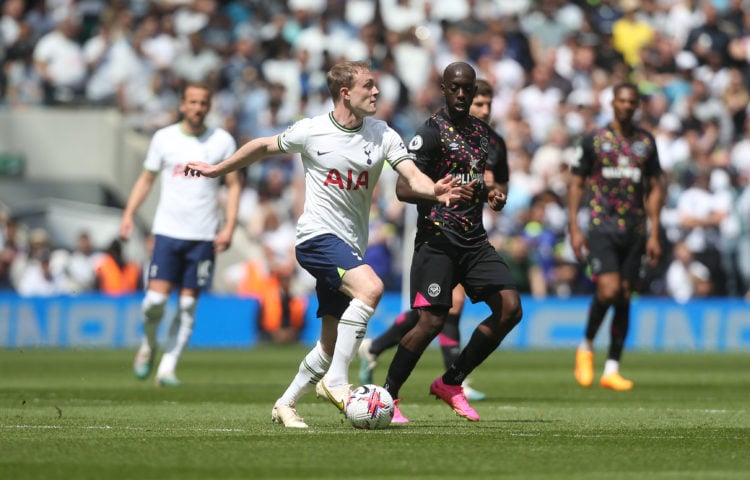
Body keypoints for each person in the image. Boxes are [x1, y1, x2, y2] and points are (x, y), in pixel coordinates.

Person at [183, 60, 470, 428]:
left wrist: (434, 190)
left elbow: (411, 175)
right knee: (372, 287)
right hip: (316, 238)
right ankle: (337, 382)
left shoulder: (382, 133)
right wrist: (217, 170)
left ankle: (286, 404)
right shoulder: (312, 131)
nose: (377, 92)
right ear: (345, 93)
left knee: (329, 345)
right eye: (369, 86)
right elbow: (262, 146)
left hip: (350, 246)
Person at [380, 62, 522, 423]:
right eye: (454, 88)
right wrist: (438, 195)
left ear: (474, 92)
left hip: (474, 240)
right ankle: (387, 397)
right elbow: (402, 188)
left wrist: (491, 194)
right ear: (443, 90)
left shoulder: (482, 133)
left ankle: (451, 381)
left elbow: (480, 181)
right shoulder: (429, 133)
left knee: (510, 308)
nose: (461, 94)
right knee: (430, 322)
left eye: (467, 89)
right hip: (437, 240)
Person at [120, 81, 241, 387]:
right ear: (182, 105)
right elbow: (146, 179)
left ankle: (168, 368)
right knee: (154, 304)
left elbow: (234, 185)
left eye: (203, 103)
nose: (198, 108)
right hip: (168, 233)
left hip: (203, 236)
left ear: (209, 106)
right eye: (193, 102)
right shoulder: (164, 138)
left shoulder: (222, 141)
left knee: (187, 306)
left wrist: (228, 226)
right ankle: (149, 345)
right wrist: (129, 214)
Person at [568, 81, 665, 392]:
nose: (626, 106)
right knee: (609, 289)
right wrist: (573, 225)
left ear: (637, 105)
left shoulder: (646, 142)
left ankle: (612, 368)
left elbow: (654, 188)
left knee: (625, 293)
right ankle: (586, 345)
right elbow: (577, 183)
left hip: (635, 229)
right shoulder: (594, 140)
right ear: (613, 103)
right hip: (602, 226)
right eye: (621, 101)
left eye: (631, 102)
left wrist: (654, 231)